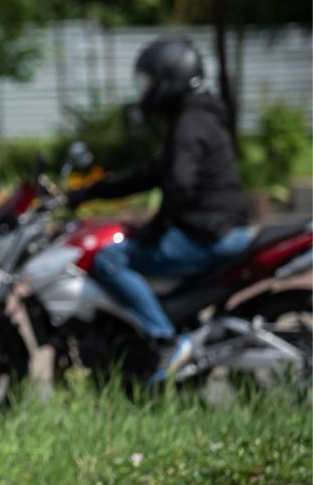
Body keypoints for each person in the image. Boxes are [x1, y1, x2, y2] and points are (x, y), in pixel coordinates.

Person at [66, 37, 251, 383]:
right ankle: (177, 325)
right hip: (218, 228)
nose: (146, 90)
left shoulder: (190, 122)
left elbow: (179, 185)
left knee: (109, 259)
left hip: (209, 234)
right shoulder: (197, 115)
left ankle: (165, 340)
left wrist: (157, 228)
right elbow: (152, 172)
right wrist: (89, 192)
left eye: (149, 81)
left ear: (170, 79)